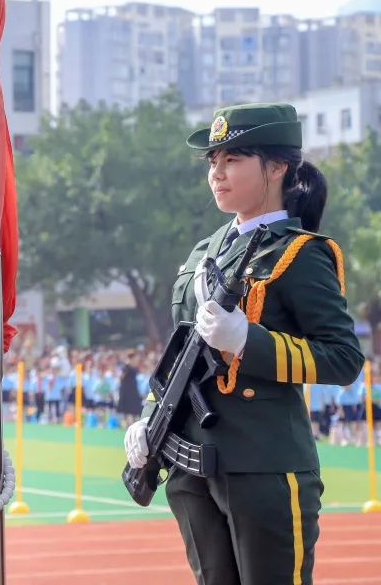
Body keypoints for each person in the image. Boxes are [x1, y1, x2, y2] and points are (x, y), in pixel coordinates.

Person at [124, 102, 364, 584]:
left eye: (233, 160)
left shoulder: (300, 253)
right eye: (213, 162)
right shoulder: (202, 253)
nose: (217, 173)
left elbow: (343, 357)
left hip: (263, 465)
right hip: (191, 460)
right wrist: (151, 417)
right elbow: (178, 357)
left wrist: (247, 341)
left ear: (276, 167)